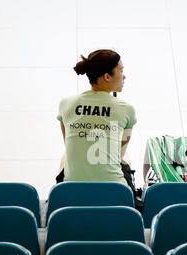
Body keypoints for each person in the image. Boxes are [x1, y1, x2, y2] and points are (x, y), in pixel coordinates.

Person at [56, 49, 137, 190]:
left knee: (66, 153)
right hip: (116, 191)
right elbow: (120, 153)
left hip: (71, 190)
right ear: (107, 77)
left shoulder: (66, 103)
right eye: (121, 71)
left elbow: (67, 143)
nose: (124, 77)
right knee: (127, 157)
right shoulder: (127, 109)